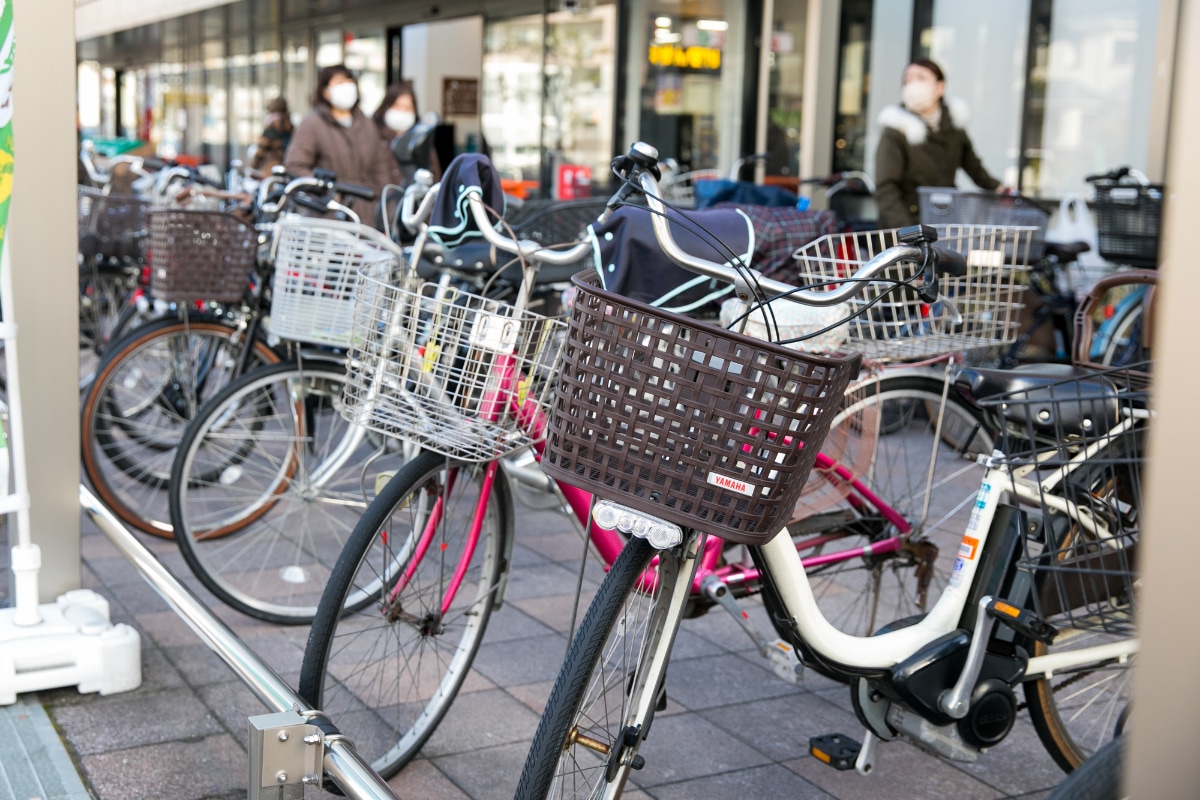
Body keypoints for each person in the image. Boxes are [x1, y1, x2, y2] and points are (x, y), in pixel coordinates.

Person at [874, 59, 1006, 229]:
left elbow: (974, 167)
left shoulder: (953, 129)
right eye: (907, 80)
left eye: (921, 78)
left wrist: (999, 189)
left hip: (944, 222)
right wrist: (905, 231)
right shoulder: (895, 130)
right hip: (905, 228)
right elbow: (886, 189)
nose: (912, 85)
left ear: (939, 87)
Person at [283, 64, 393, 224]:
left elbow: (381, 171)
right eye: (339, 83)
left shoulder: (367, 124)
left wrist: (386, 211)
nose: (347, 87)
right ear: (325, 91)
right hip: (328, 215)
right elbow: (295, 165)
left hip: (366, 214)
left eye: (349, 81)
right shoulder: (312, 123)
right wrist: (325, 190)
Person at [371, 80, 442, 184]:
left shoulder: (421, 140)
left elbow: (434, 175)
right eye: (397, 106)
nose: (402, 112)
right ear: (386, 107)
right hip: (384, 198)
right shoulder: (373, 136)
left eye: (407, 108)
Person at [250, 96, 293, 173]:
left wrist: (254, 166)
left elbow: (261, 151)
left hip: (273, 170)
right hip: (289, 170)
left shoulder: (271, 128)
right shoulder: (291, 126)